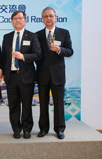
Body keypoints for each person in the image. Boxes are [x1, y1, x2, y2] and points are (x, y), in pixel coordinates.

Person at [2, 10, 41, 139]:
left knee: (26, 104)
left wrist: (23, 56)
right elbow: (4, 58)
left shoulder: (32, 36)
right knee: (13, 105)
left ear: (25, 20)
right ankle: (16, 129)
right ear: (12, 21)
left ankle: (27, 129)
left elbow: (38, 55)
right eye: (15, 18)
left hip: (26, 76)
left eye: (20, 18)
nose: (18, 20)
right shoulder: (7, 37)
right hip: (11, 76)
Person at [36, 7, 74, 140]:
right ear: (42, 19)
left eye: (51, 16)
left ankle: (59, 129)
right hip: (42, 74)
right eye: (45, 16)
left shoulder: (64, 33)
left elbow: (70, 51)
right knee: (43, 104)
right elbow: (36, 54)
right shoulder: (37, 35)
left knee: (58, 104)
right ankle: (43, 129)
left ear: (56, 17)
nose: (48, 18)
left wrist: (60, 49)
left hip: (58, 75)